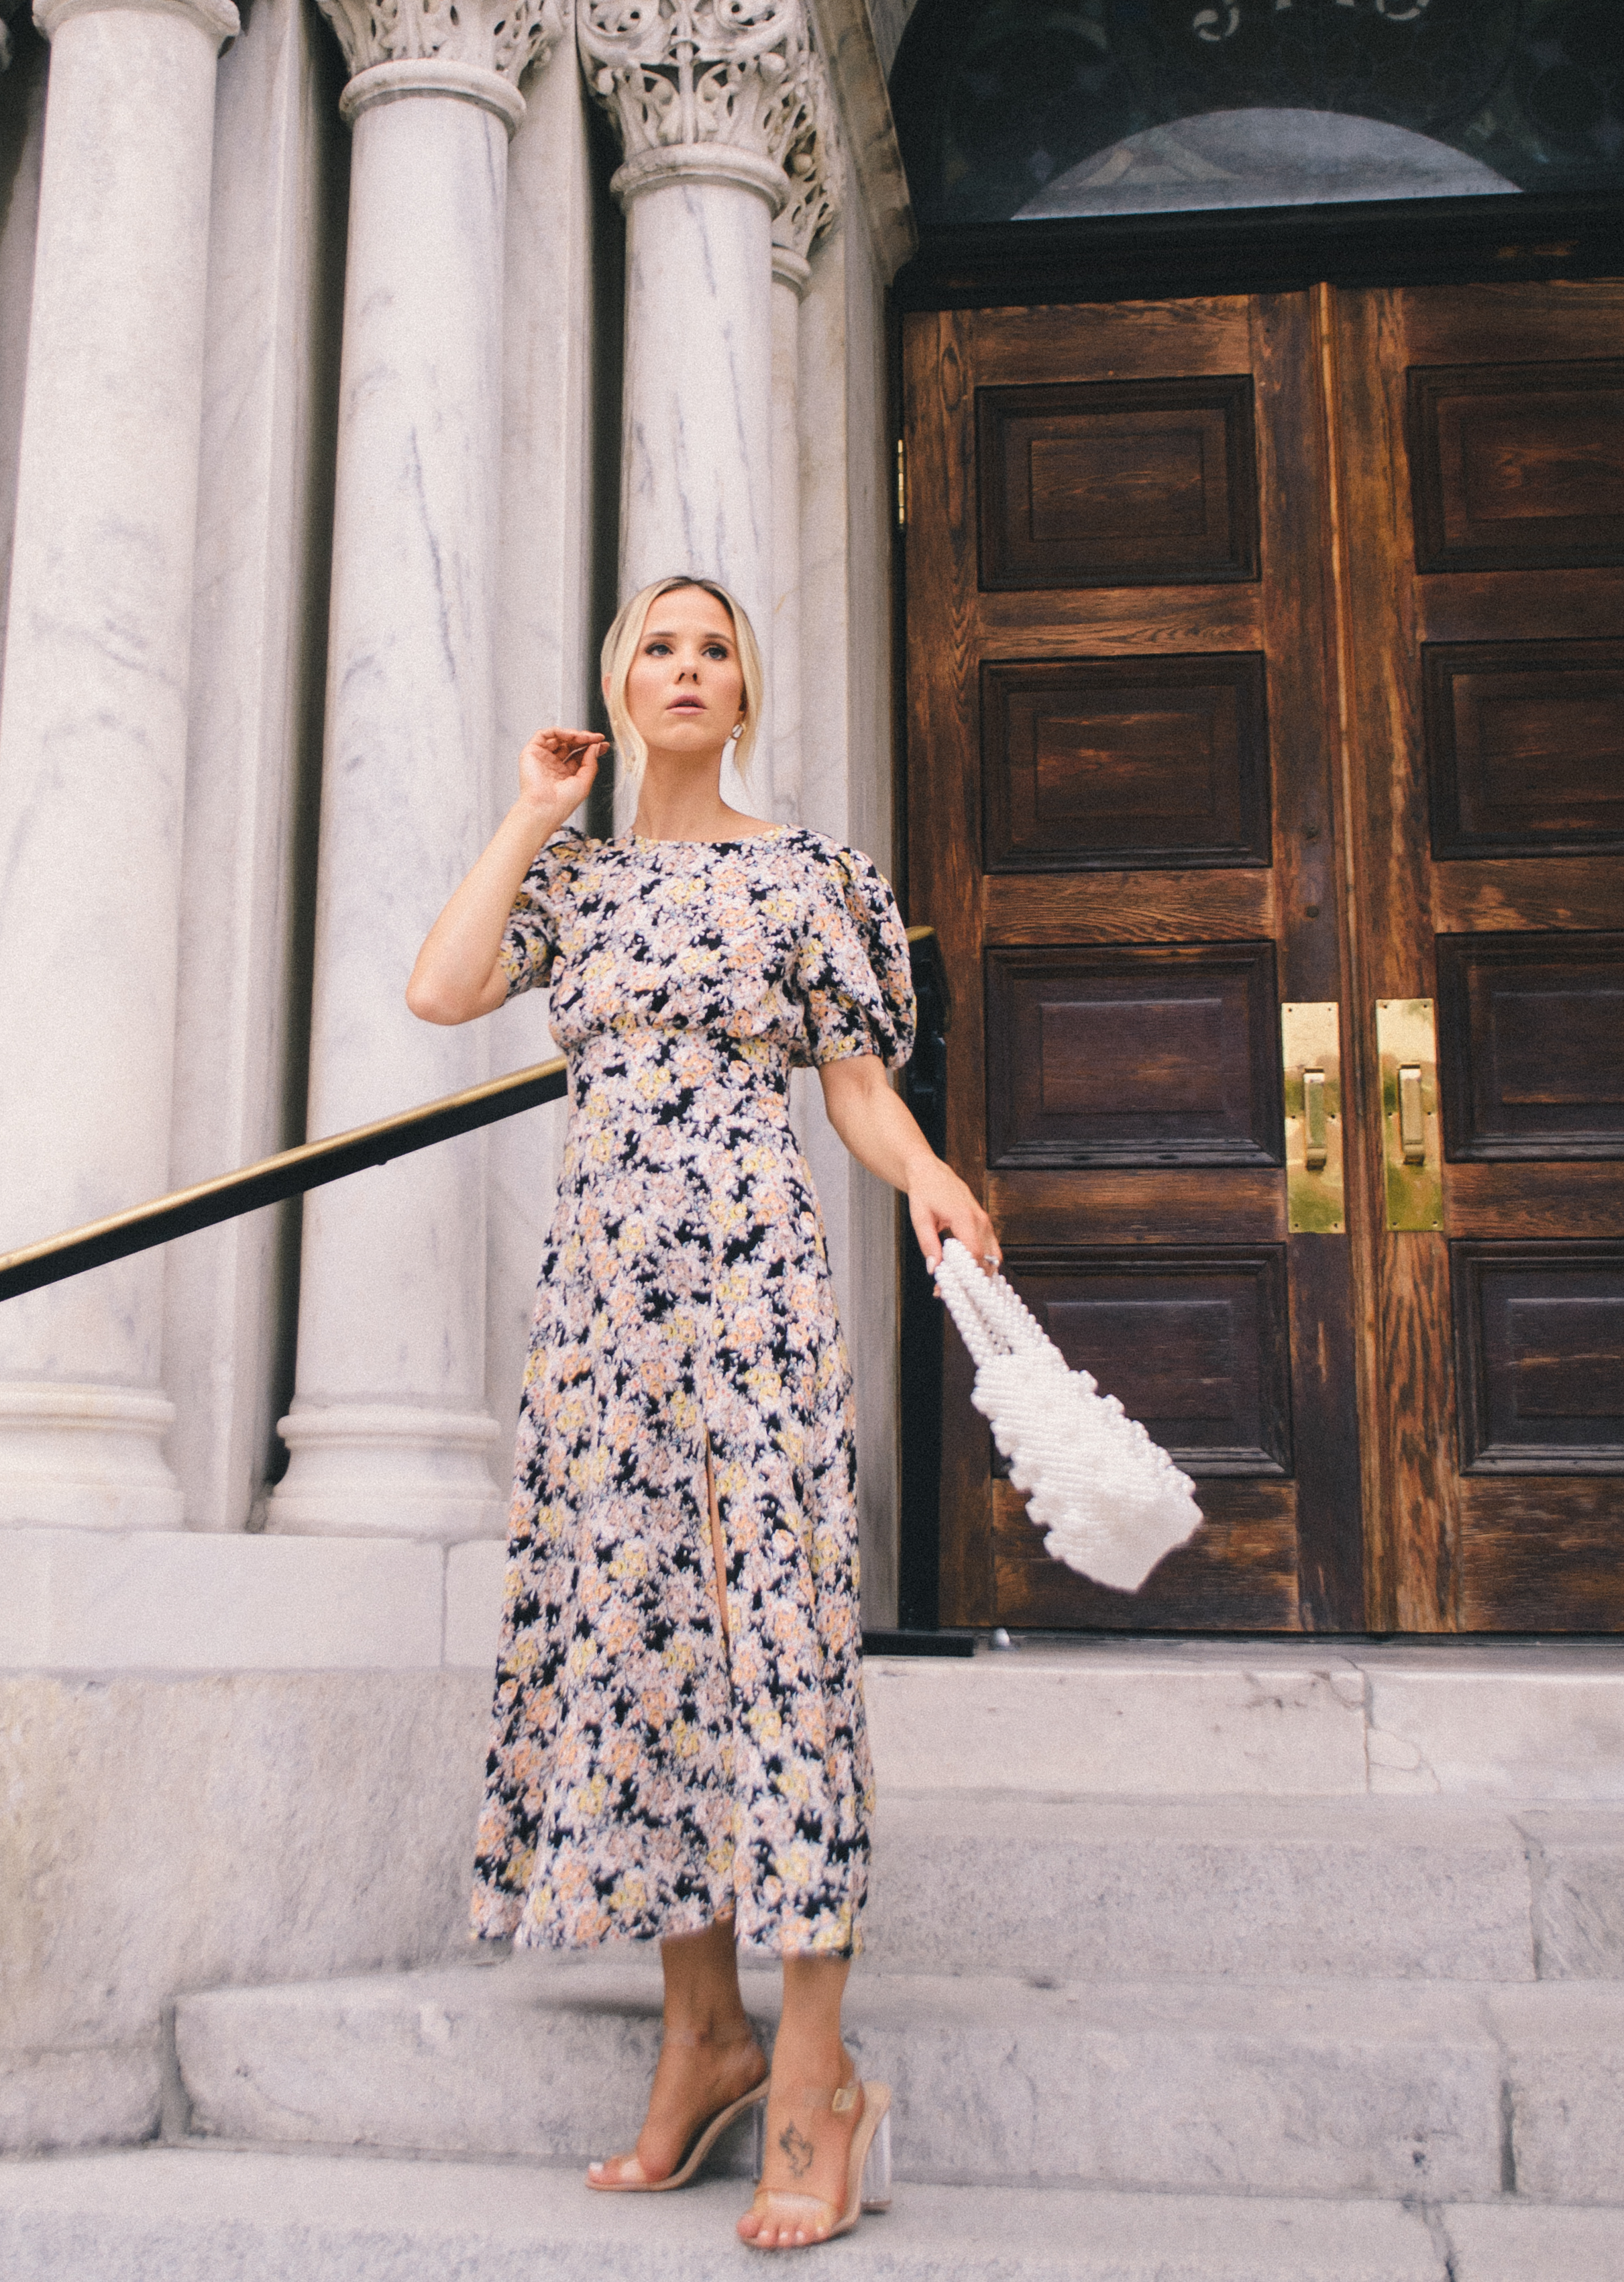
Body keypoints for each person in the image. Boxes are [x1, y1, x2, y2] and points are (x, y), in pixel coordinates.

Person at [408, 576, 996, 2249]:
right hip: (601, 1324)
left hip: (751, 1300)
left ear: (747, 689)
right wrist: (532, 809)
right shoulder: (576, 883)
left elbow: (857, 1086)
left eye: (713, 647)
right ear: (616, 679)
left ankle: (812, 2068)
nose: (684, 666)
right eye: (656, 644)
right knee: (651, 1654)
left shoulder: (808, 874)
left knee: (778, 1649)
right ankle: (700, 2031)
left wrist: (932, 1178)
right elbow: (443, 989)